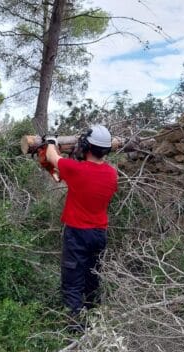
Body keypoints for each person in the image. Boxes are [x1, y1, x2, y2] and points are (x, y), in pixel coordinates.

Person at [44, 125, 118, 316]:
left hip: (77, 235)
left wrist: (51, 140)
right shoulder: (111, 174)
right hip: (99, 234)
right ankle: (95, 319)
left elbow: (52, 156)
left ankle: (75, 331)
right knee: (92, 279)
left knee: (73, 282)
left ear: (87, 146)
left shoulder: (77, 170)